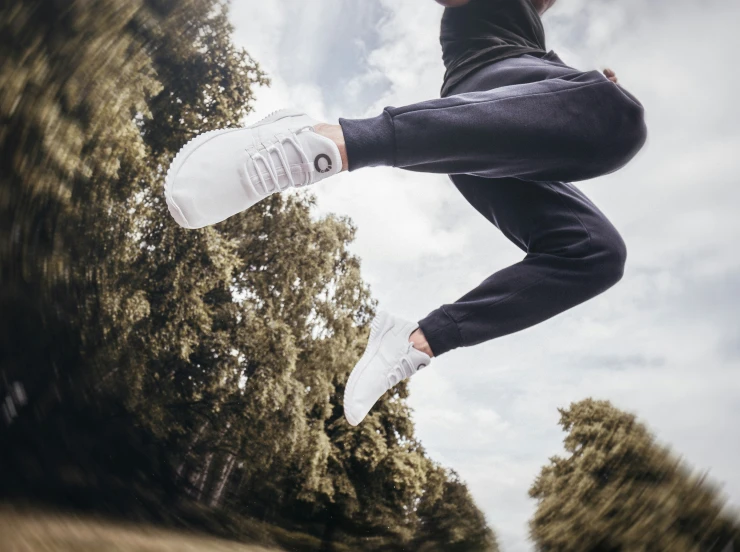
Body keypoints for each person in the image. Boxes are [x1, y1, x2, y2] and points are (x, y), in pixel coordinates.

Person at [164, 0, 647, 427]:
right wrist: (592, 99)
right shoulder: (494, 23)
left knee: (597, 253)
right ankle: (319, 142)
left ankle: (414, 343)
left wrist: (579, 88)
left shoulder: (530, 34)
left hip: (482, 142)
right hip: (472, 107)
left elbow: (551, 98)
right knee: (618, 118)